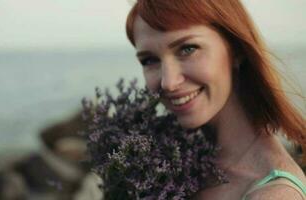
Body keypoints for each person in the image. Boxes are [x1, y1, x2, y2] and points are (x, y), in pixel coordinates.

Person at [125, 0, 306, 199]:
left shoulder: (274, 194)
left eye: (187, 49)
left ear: (236, 49)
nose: (168, 82)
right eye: (149, 60)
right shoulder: (170, 169)